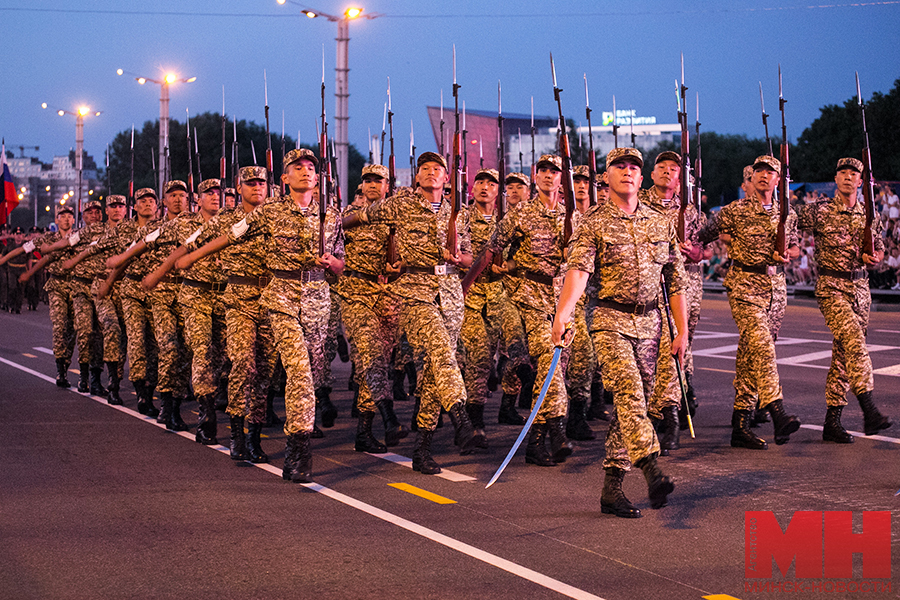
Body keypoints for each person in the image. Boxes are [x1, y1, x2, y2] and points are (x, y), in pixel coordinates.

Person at [176, 149, 343, 483]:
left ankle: (255, 432)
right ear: (285, 177)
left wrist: (331, 263)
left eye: (311, 167)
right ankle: (265, 439)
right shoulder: (269, 213)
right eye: (298, 167)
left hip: (311, 300)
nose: (306, 172)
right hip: (256, 298)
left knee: (268, 370)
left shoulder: (331, 214)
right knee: (250, 364)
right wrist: (187, 259)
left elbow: (340, 262)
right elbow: (225, 238)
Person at [552, 147, 683, 517]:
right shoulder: (592, 222)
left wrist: (682, 330)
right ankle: (652, 469)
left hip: (651, 324)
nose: (627, 172)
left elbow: (674, 280)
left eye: (634, 168)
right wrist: (562, 315)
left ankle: (612, 487)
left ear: (642, 178)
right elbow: (578, 272)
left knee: (631, 406)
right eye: (619, 167)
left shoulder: (660, 222)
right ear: (606, 177)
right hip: (609, 320)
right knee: (628, 393)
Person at [343, 151, 482, 475]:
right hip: (416, 290)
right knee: (441, 351)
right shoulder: (401, 204)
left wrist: (458, 258)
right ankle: (460, 417)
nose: (432, 172)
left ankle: (423, 448)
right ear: (416, 178)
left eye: (438, 168)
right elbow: (361, 218)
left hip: (448, 292)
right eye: (425, 169)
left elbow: (470, 255)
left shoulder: (455, 213)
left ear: (447, 178)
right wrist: (333, 230)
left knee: (435, 373)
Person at [464, 154, 575, 467]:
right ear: (535, 175)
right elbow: (492, 248)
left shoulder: (573, 216)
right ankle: (556, 430)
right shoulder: (521, 213)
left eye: (555, 172)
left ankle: (535, 443)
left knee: (555, 370)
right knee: (547, 358)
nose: (549, 176)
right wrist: (467, 283)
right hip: (528, 295)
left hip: (562, 300)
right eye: (543, 171)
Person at [797, 157, 891, 441]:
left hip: (861, 289)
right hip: (832, 286)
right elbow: (787, 220)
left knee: (842, 355)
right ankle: (869, 409)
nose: (848, 177)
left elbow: (880, 249)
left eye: (854, 174)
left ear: (861, 182)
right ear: (835, 180)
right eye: (843, 173)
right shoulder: (819, 210)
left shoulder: (869, 215)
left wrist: (875, 257)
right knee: (853, 340)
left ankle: (832, 422)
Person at [715, 155, 801, 449]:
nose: (764, 175)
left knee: (751, 354)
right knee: (761, 345)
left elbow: (794, 246)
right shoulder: (735, 210)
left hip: (776, 289)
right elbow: (704, 232)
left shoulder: (788, 213)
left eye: (771, 172)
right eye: (759, 171)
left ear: (779, 180)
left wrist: (789, 254)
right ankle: (777, 410)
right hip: (744, 286)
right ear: (751, 178)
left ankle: (740, 423)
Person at [333, 164, 408, 452]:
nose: (373, 184)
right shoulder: (347, 218)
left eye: (379, 180)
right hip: (357, 293)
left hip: (389, 295)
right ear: (361, 185)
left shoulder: (399, 218)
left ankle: (364, 431)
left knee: (374, 362)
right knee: (372, 353)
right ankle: (389, 417)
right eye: (367, 180)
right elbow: (333, 250)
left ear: (388, 185)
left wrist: (400, 265)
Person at [460, 168, 529, 448]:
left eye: (491, 183)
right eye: (480, 182)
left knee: (518, 347)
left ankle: (516, 398)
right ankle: (475, 423)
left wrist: (508, 265)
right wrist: (472, 262)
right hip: (472, 294)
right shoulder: (461, 217)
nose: (485, 187)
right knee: (478, 359)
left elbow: (524, 256)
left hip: (504, 293)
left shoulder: (510, 220)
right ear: (472, 189)